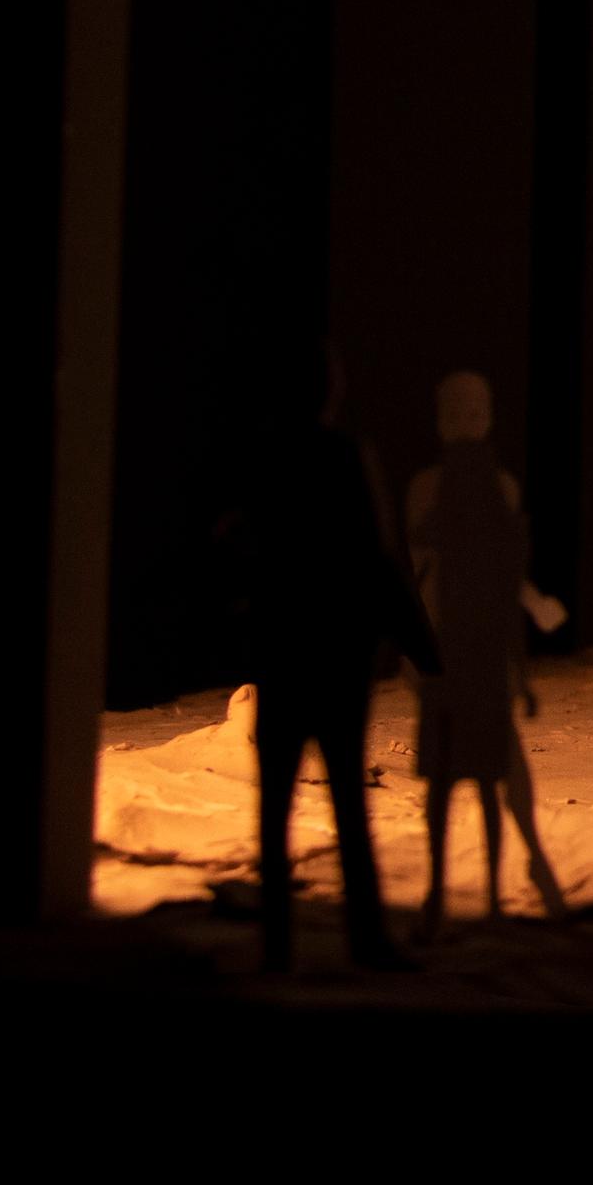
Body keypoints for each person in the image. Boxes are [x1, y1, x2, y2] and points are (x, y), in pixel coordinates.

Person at [219, 343, 437, 973]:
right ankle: (366, 942)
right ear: (326, 391)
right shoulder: (344, 455)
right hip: (338, 656)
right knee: (347, 803)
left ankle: (277, 947)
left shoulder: (261, 455)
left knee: (274, 809)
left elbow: (239, 546)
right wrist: (423, 647)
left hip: (283, 651)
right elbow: (376, 557)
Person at [401, 371, 571, 939]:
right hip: (454, 645)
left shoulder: (496, 488)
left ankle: (497, 886)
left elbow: (498, 574)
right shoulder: (435, 488)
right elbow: (424, 573)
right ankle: (472, 888)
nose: (467, 421)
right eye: (457, 411)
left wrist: (527, 620)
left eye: (475, 411)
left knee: (487, 770)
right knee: (460, 776)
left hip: (476, 648)